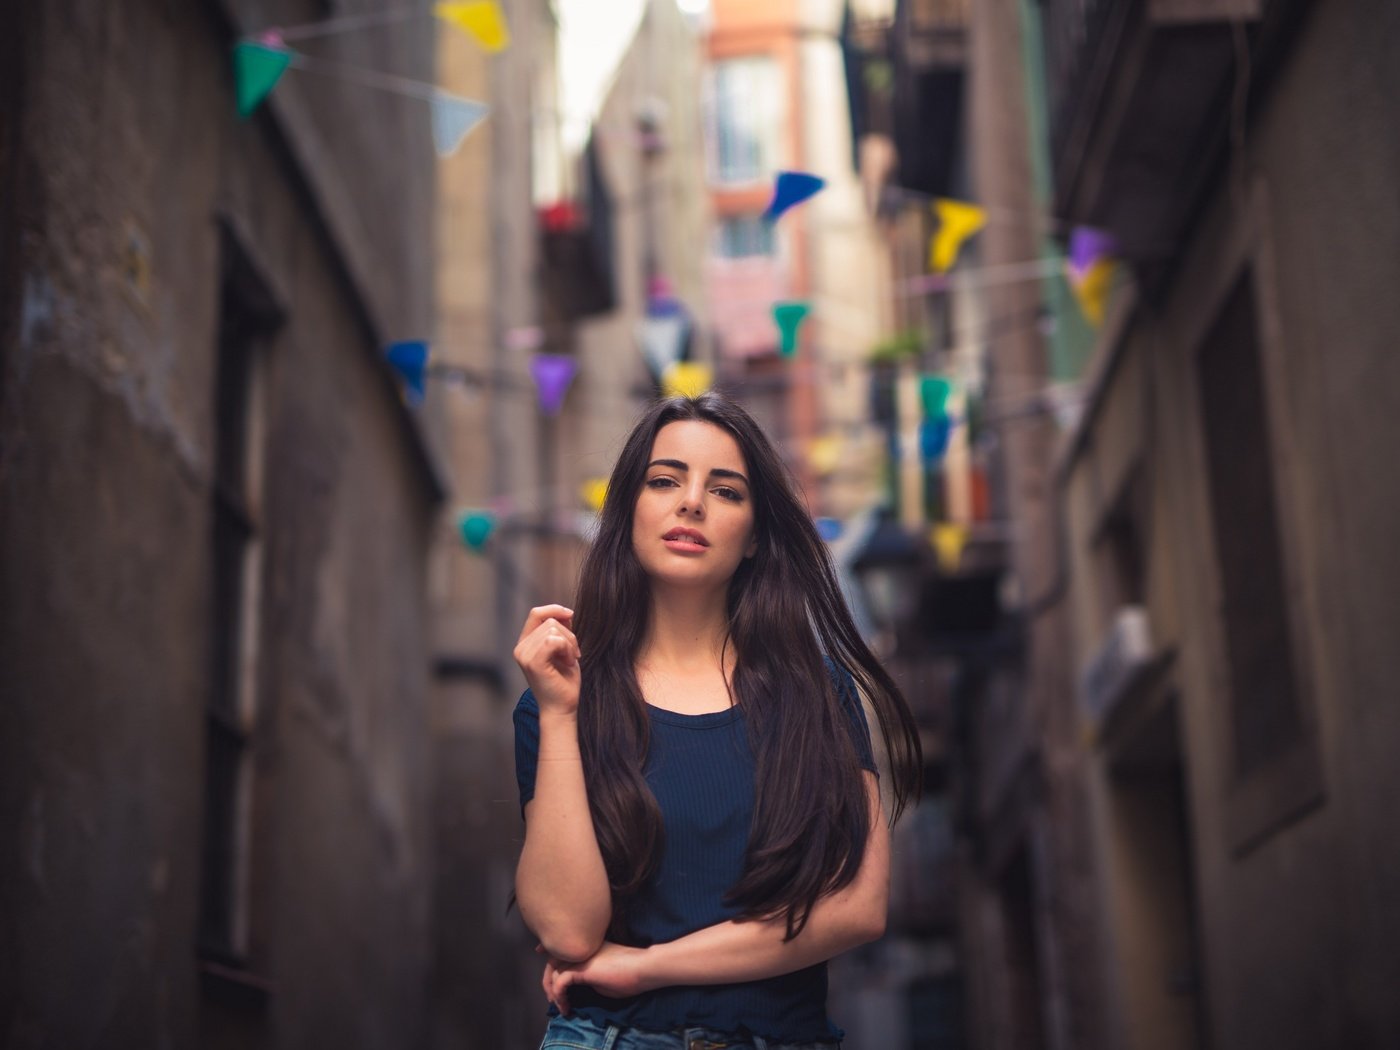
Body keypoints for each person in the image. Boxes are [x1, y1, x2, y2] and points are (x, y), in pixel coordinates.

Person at [512, 392, 922, 1050]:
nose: (691, 502)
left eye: (724, 490)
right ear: (630, 511)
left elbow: (856, 908)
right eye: (665, 480)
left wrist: (647, 967)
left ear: (757, 533)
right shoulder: (558, 700)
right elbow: (568, 932)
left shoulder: (817, 693)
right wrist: (561, 713)